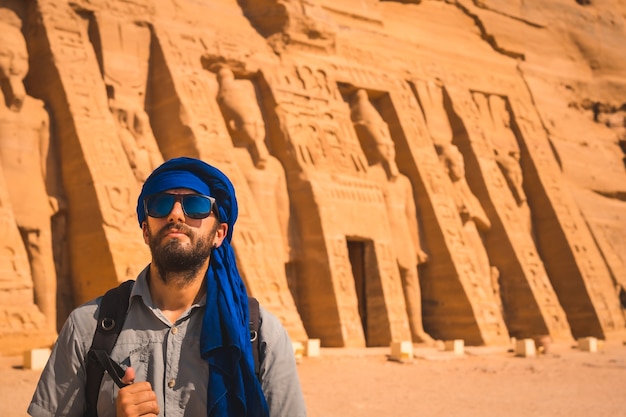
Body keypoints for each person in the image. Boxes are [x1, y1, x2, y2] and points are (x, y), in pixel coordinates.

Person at [28, 157, 307, 417]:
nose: (176, 214)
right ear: (146, 231)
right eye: (161, 204)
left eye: (195, 205)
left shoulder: (261, 335)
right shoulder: (88, 327)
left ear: (219, 234)